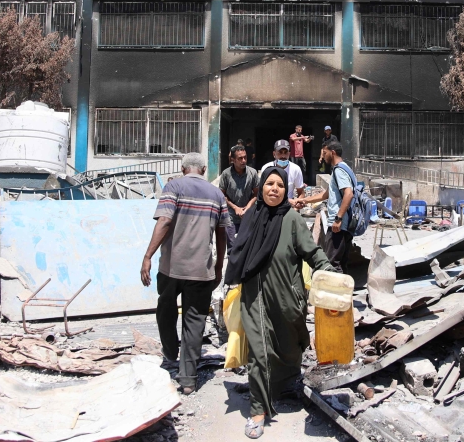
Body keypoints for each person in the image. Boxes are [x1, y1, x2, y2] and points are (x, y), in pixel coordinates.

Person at [225, 167, 333, 438]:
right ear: (261, 187)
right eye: (269, 184)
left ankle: (285, 384)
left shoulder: (293, 219)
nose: (274, 189)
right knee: (259, 353)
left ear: (286, 189)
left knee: (289, 346)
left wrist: (329, 273)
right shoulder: (251, 217)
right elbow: (238, 252)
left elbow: (312, 252)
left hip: (287, 298)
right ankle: (258, 410)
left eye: (280, 185)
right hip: (255, 297)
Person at [141, 153, 230, 395]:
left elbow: (164, 222)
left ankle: (170, 355)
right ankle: (189, 380)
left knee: (166, 312)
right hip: (201, 270)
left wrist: (148, 256)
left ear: (183, 169)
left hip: (171, 268)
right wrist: (219, 265)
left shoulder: (174, 187)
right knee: (195, 321)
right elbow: (222, 234)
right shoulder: (217, 194)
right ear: (203, 169)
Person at [292, 141, 354, 273]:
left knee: (332, 263)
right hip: (343, 223)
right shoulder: (344, 169)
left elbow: (348, 194)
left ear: (333, 152)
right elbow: (326, 194)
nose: (323, 156)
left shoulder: (339, 171)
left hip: (338, 225)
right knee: (341, 262)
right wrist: (305, 200)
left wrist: (338, 218)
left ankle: (335, 292)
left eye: (324, 153)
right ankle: (344, 291)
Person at [218, 144, 260, 244]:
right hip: (231, 217)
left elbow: (257, 193)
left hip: (248, 216)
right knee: (232, 247)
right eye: (240, 158)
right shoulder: (226, 174)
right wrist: (235, 207)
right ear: (233, 159)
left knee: (247, 246)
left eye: (245, 157)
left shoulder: (252, 173)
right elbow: (221, 195)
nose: (244, 161)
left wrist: (248, 207)